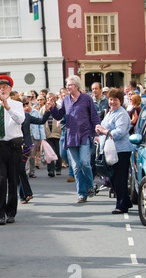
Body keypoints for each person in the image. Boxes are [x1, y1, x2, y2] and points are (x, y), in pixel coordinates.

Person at [49, 75, 101, 203]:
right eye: (67, 85)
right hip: (71, 136)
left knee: (84, 162)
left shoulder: (86, 98)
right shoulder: (66, 100)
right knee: (76, 167)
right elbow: (59, 115)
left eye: (70, 85)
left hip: (84, 134)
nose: (68, 87)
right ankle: (82, 193)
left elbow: (94, 116)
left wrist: (97, 132)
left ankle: (89, 186)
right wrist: (52, 108)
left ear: (77, 86)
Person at [0, 75, 25, 225]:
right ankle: (0, 213)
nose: (2, 90)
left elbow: (20, 120)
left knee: (12, 180)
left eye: (4, 87)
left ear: (10, 89)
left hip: (13, 146)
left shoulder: (16, 105)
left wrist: (7, 107)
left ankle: (11, 212)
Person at [95, 88, 133, 214]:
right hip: (110, 150)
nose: (112, 102)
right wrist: (99, 129)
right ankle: (125, 201)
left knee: (119, 178)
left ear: (120, 101)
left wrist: (105, 131)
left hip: (121, 150)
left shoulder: (121, 114)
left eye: (115, 100)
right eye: (111, 99)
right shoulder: (110, 112)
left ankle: (121, 205)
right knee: (111, 178)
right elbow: (106, 127)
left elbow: (120, 132)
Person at [19, 97, 50, 204]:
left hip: (26, 146)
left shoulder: (27, 116)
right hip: (14, 146)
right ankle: (25, 195)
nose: (23, 107)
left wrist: (46, 111)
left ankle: (25, 195)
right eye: (21, 105)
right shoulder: (10, 116)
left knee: (21, 169)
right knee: (20, 170)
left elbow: (41, 121)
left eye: (25, 104)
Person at [42, 93, 62, 177]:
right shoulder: (43, 108)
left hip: (57, 133)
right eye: (47, 98)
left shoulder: (59, 107)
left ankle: (58, 168)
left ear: (54, 99)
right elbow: (41, 120)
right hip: (48, 133)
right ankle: (51, 170)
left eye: (51, 98)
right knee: (49, 152)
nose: (49, 100)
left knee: (57, 151)